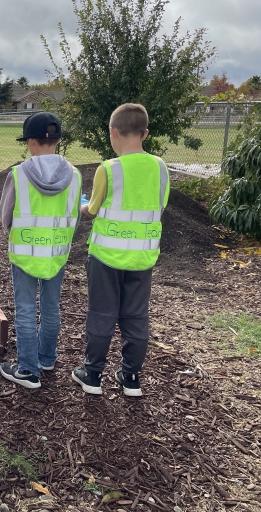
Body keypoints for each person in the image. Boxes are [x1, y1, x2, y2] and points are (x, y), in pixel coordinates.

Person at [72, 103, 170, 397]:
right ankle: (130, 379)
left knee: (102, 314)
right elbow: (160, 205)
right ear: (146, 133)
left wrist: (81, 204)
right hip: (142, 258)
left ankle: (92, 375)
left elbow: (93, 209)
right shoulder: (161, 168)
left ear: (114, 133)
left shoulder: (109, 169)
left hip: (106, 258)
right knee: (136, 316)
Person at [0, 112, 81, 389]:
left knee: (24, 309)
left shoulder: (19, 174)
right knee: (50, 308)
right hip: (56, 254)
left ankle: (28, 370)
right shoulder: (76, 176)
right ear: (57, 140)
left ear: (31, 142)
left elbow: (5, 215)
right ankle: (47, 358)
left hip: (24, 253)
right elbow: (74, 217)